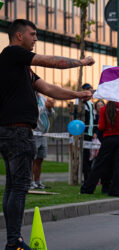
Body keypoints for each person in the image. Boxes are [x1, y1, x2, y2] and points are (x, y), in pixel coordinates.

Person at [0, 19, 94, 250]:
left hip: (13, 132)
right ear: (19, 36)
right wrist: (81, 62)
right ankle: (14, 242)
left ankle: (14, 240)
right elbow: (50, 61)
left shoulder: (21, 68)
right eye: (33, 34)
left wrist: (77, 94)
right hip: (17, 131)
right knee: (20, 186)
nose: (36, 38)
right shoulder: (12, 53)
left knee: (14, 186)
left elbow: (49, 89)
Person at [80, 101, 119, 197]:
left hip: (108, 138)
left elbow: (101, 126)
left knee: (99, 164)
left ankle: (88, 188)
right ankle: (116, 190)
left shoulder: (104, 109)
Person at [31, 93, 55, 190]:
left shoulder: (42, 98)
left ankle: (38, 182)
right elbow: (34, 114)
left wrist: (49, 108)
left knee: (40, 159)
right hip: (34, 133)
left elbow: (53, 114)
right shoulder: (29, 98)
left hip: (43, 134)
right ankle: (30, 182)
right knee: (32, 160)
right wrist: (45, 107)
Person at [81, 83, 96, 183]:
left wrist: (94, 131)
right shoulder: (80, 103)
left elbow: (92, 119)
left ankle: (88, 176)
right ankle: (85, 177)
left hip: (90, 133)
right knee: (84, 156)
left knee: (90, 155)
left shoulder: (91, 104)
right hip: (83, 133)